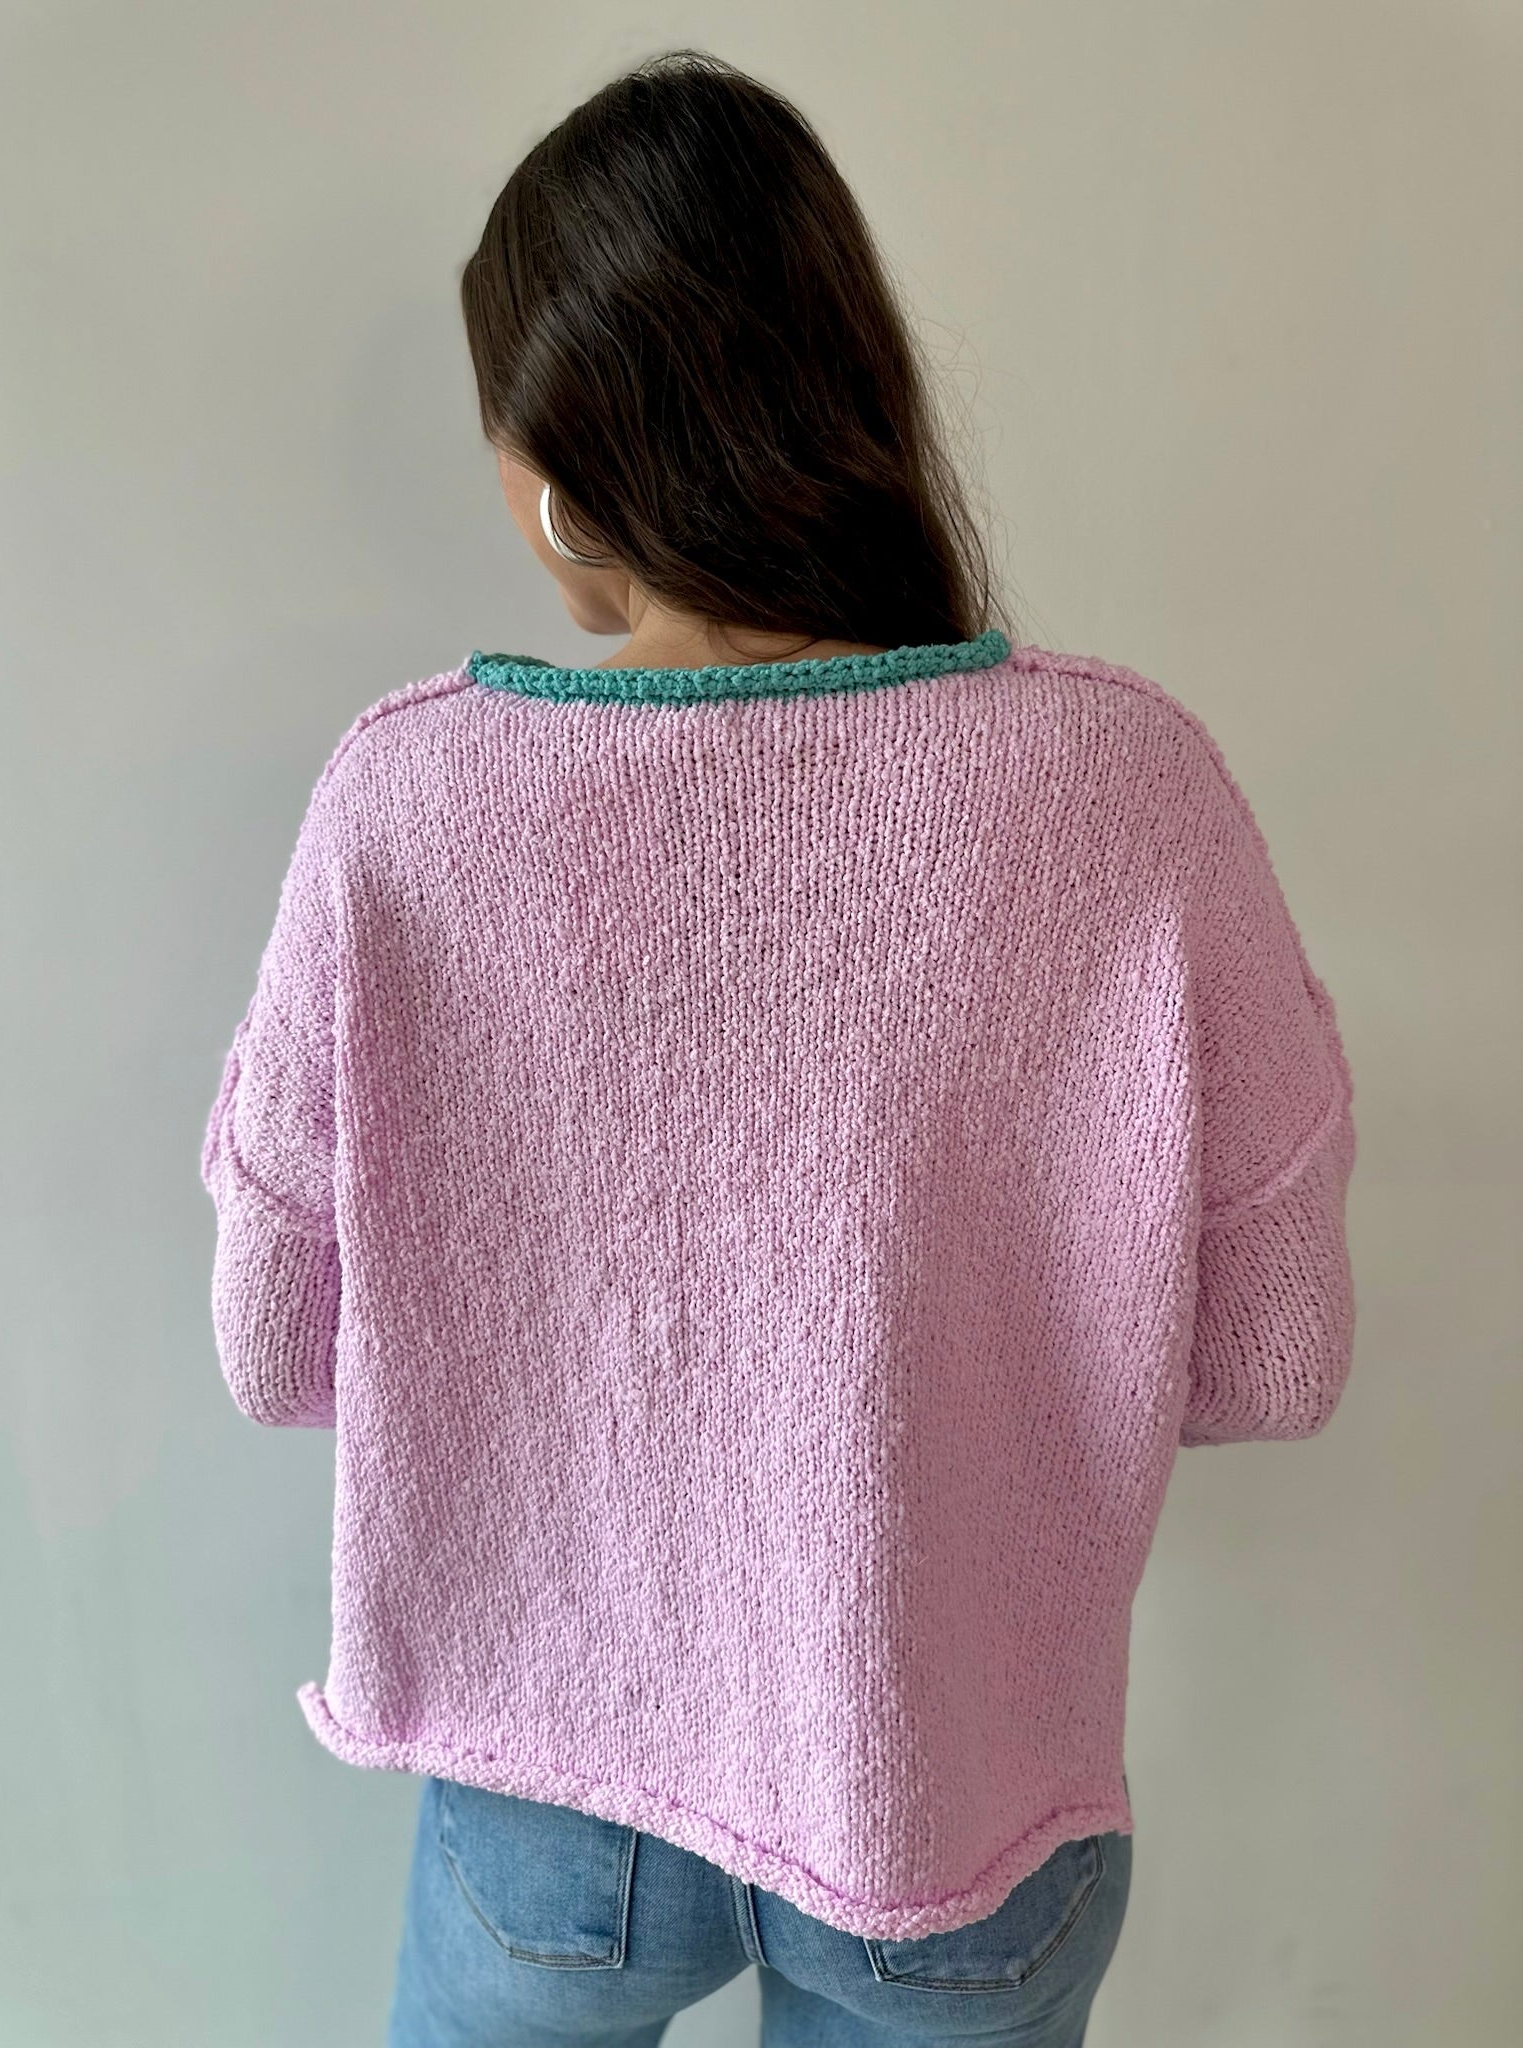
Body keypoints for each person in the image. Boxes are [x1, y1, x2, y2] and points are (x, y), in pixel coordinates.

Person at [199, 48, 1358, 2048]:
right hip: (957, 1782)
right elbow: (1274, 1354)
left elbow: (273, 1346)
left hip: (552, 1777)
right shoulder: (1128, 788)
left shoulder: (406, 805)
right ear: (856, 390)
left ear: (556, 471)